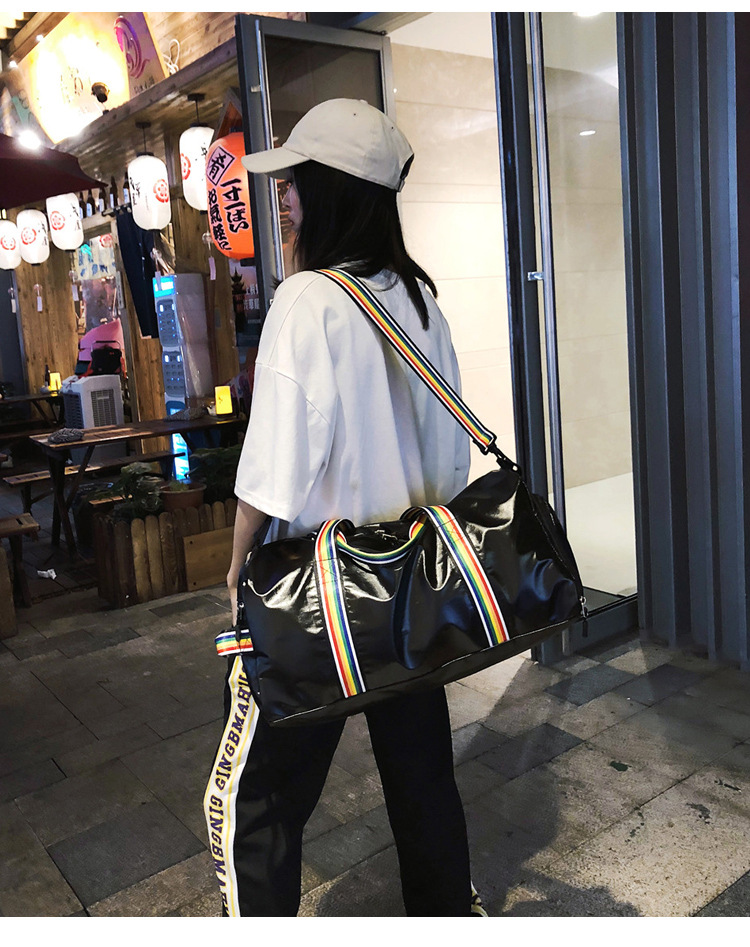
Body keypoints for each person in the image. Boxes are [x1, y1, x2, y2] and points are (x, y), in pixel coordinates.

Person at [203, 98, 486, 917]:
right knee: (422, 775)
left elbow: (272, 476)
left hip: (318, 594)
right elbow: (450, 460)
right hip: (410, 588)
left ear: (333, 190)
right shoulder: (421, 300)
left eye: (295, 181)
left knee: (262, 797)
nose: (285, 197)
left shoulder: (309, 300)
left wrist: (235, 570)